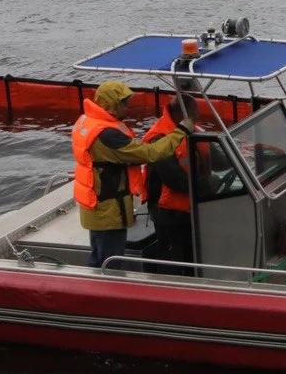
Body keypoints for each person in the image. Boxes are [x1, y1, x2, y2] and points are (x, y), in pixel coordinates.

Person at [71, 80, 195, 268]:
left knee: (99, 255)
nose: (127, 108)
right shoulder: (107, 135)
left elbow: (123, 156)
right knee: (109, 263)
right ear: (112, 104)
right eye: (124, 103)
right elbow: (149, 153)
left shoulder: (89, 122)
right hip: (108, 210)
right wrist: (181, 131)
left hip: (96, 204)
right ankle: (107, 286)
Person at [140, 96, 202, 273]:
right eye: (194, 113)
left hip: (187, 208)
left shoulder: (191, 131)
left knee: (191, 254)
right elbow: (174, 179)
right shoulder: (159, 137)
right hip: (167, 212)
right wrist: (207, 187)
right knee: (173, 258)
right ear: (181, 113)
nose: (197, 116)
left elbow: (215, 159)